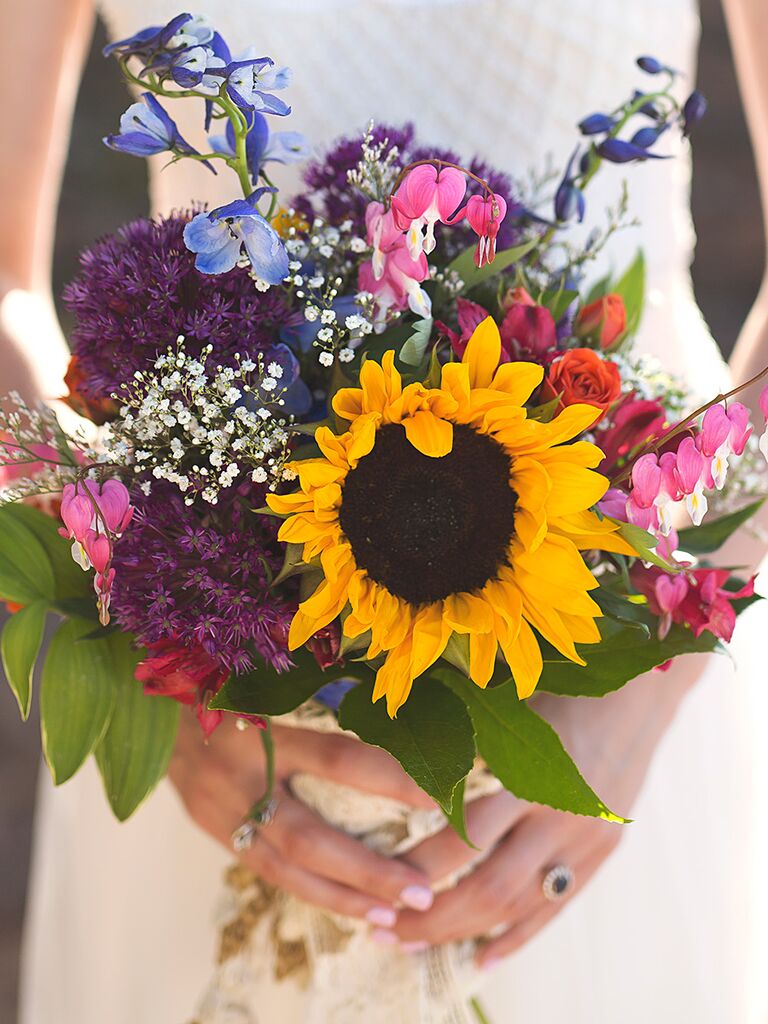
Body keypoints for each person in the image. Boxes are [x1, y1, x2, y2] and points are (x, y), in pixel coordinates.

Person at [5, 0, 768, 1021]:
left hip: (623, 627)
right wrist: (141, 634)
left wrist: (643, 694)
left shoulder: (635, 702)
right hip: (210, 703)